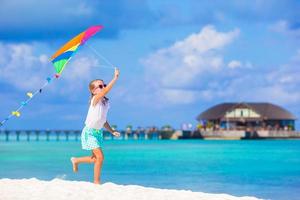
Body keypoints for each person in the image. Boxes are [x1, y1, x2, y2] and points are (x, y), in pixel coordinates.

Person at [71, 68, 121, 184]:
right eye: (100, 86)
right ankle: (96, 182)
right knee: (100, 157)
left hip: (98, 133)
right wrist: (115, 78)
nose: (103, 87)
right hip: (89, 132)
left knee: (94, 159)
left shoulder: (105, 103)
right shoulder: (95, 99)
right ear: (93, 91)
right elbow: (105, 92)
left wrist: (112, 131)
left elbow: (103, 120)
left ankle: (76, 160)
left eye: (104, 85)